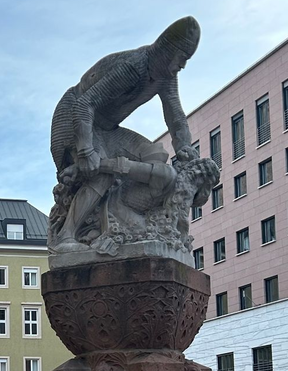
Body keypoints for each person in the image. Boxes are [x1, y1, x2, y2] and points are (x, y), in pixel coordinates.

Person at [49, 16, 203, 253]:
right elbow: (84, 105)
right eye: (181, 57)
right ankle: (66, 236)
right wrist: (86, 151)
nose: (182, 65)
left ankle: (121, 213)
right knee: (101, 170)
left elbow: (176, 117)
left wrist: (185, 149)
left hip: (107, 129)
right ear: (167, 51)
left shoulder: (166, 77)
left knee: (155, 154)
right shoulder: (134, 66)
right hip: (72, 119)